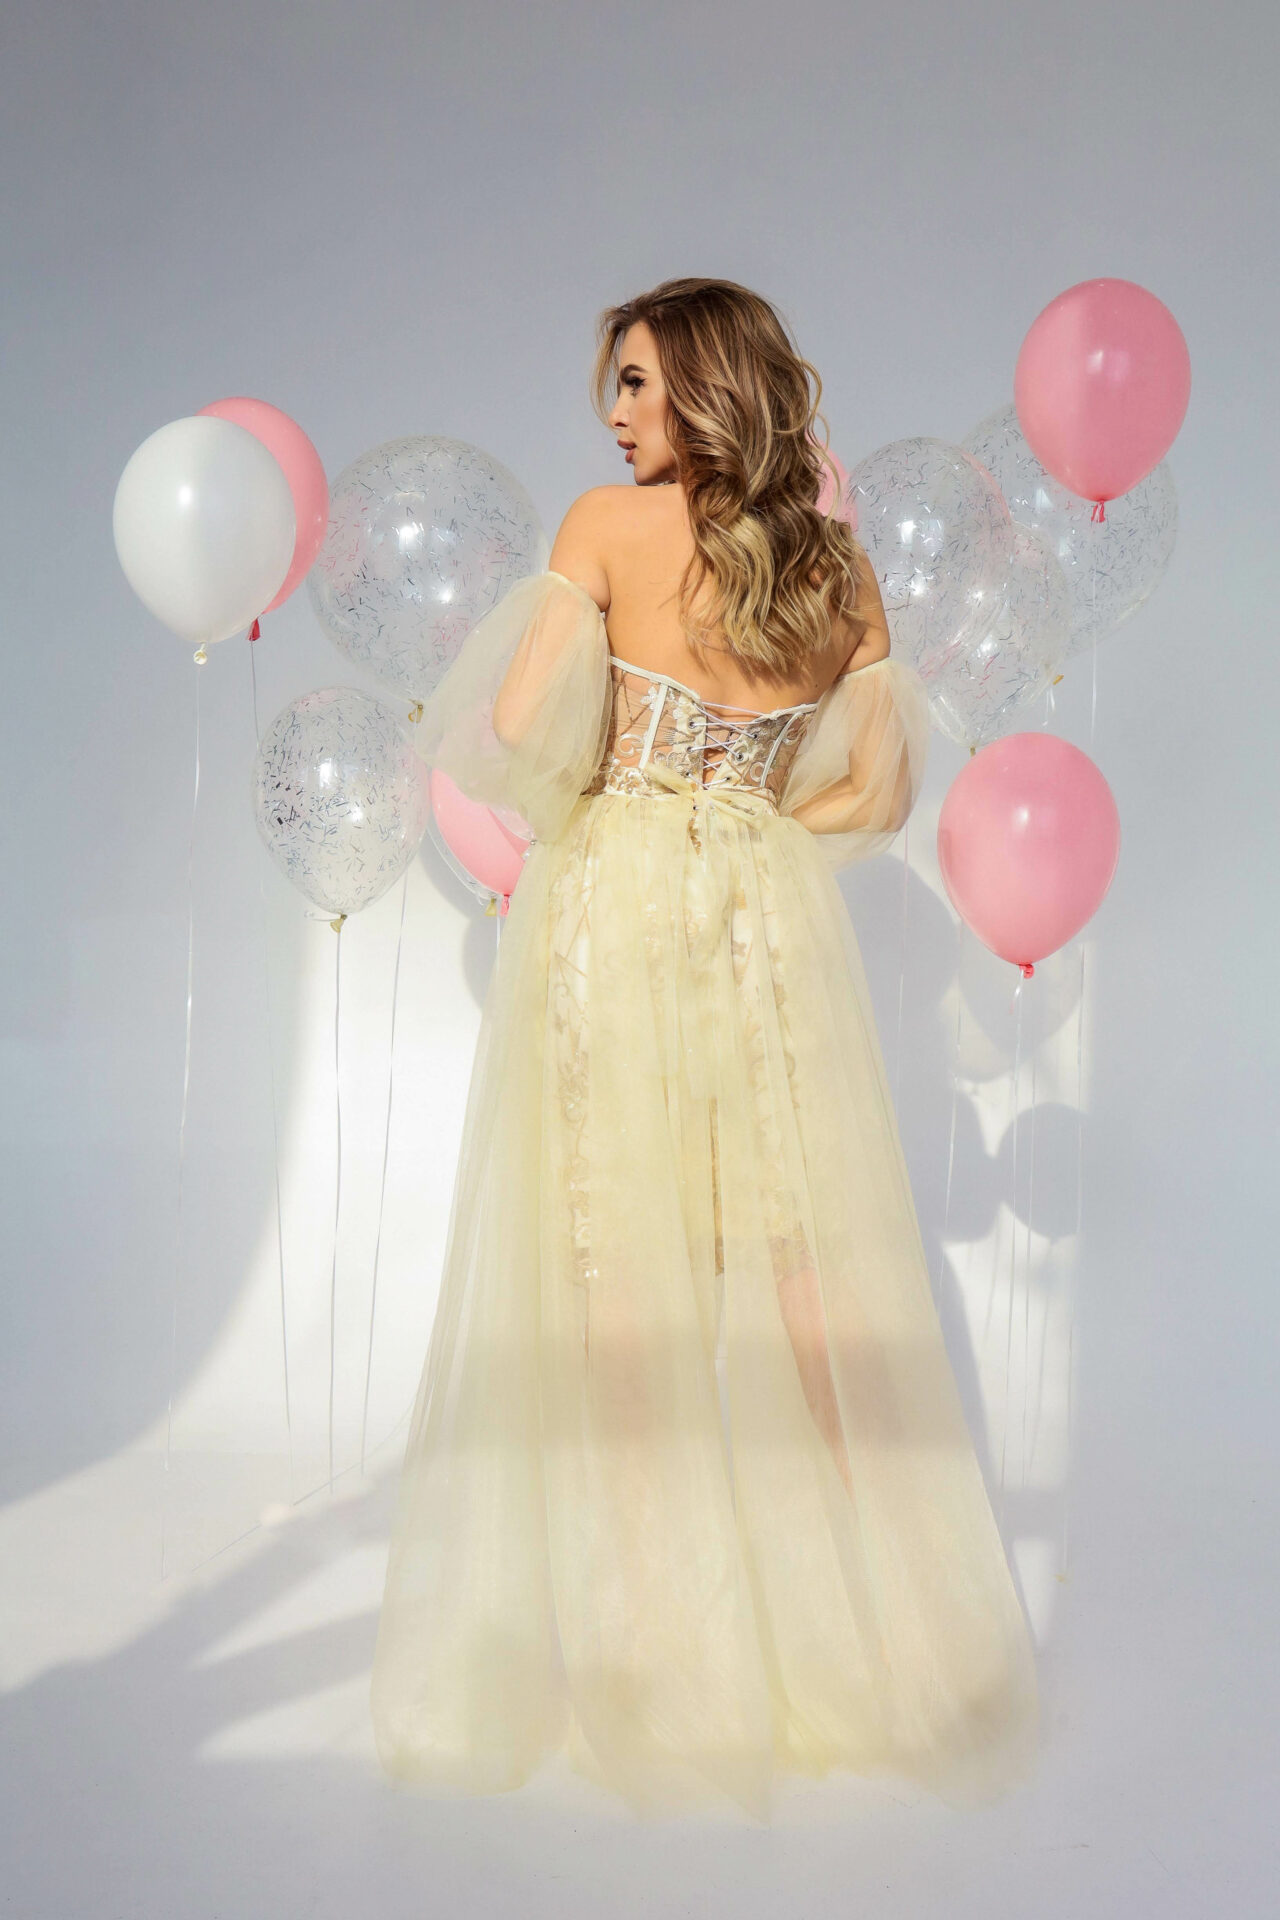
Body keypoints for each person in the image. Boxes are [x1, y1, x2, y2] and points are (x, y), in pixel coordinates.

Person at [370, 278, 1040, 1821]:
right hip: (762, 912)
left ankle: (661, 1665)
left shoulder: (606, 531)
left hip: (617, 908)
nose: (613, 414)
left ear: (704, 387)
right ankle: (922, 1645)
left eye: (636, 382)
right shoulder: (840, 572)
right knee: (808, 1278)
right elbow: (875, 793)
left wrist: (610, 809)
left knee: (620, 1274)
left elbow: (516, 731)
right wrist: (746, 823)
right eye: (613, 385)